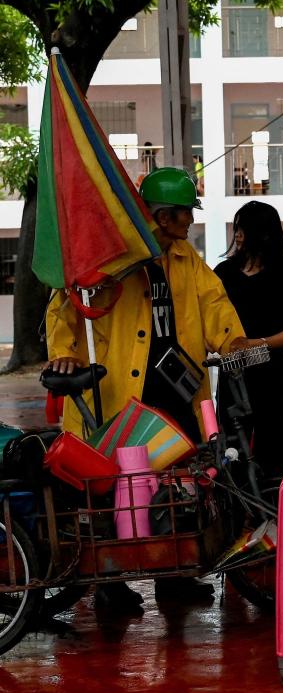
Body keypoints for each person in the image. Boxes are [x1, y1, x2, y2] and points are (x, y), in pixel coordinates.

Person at [46, 167, 250, 609]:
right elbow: (67, 303)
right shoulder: (112, 260)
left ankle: (173, 577)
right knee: (112, 490)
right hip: (118, 394)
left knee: (177, 485)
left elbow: (213, 302)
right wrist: (66, 351)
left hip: (175, 391)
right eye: (181, 216)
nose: (188, 224)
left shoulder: (185, 260)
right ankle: (110, 584)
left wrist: (232, 338)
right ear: (158, 216)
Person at [215, 201, 283, 481]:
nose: (239, 235)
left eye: (244, 228)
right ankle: (236, 506)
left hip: (271, 371)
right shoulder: (223, 273)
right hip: (232, 371)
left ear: (263, 233)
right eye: (237, 228)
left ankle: (270, 507)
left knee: (271, 442)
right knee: (231, 442)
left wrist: (256, 343)